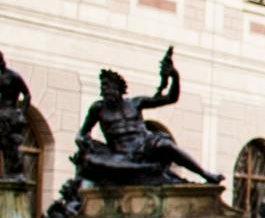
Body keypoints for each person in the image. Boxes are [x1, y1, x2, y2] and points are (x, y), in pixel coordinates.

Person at [75, 49, 220, 185]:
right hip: (122, 152)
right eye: (103, 87)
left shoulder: (135, 103)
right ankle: (146, 170)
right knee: (90, 160)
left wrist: (174, 75)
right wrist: (82, 140)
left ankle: (205, 174)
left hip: (145, 144)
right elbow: (82, 133)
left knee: (166, 145)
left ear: (118, 88)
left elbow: (171, 98)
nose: (104, 90)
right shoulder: (98, 109)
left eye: (108, 86)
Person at [0, 52, 30, 180]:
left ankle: (15, 172)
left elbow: (27, 94)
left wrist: (22, 112)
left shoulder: (13, 76)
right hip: (1, 113)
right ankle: (7, 172)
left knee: (11, 143)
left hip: (11, 113)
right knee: (3, 143)